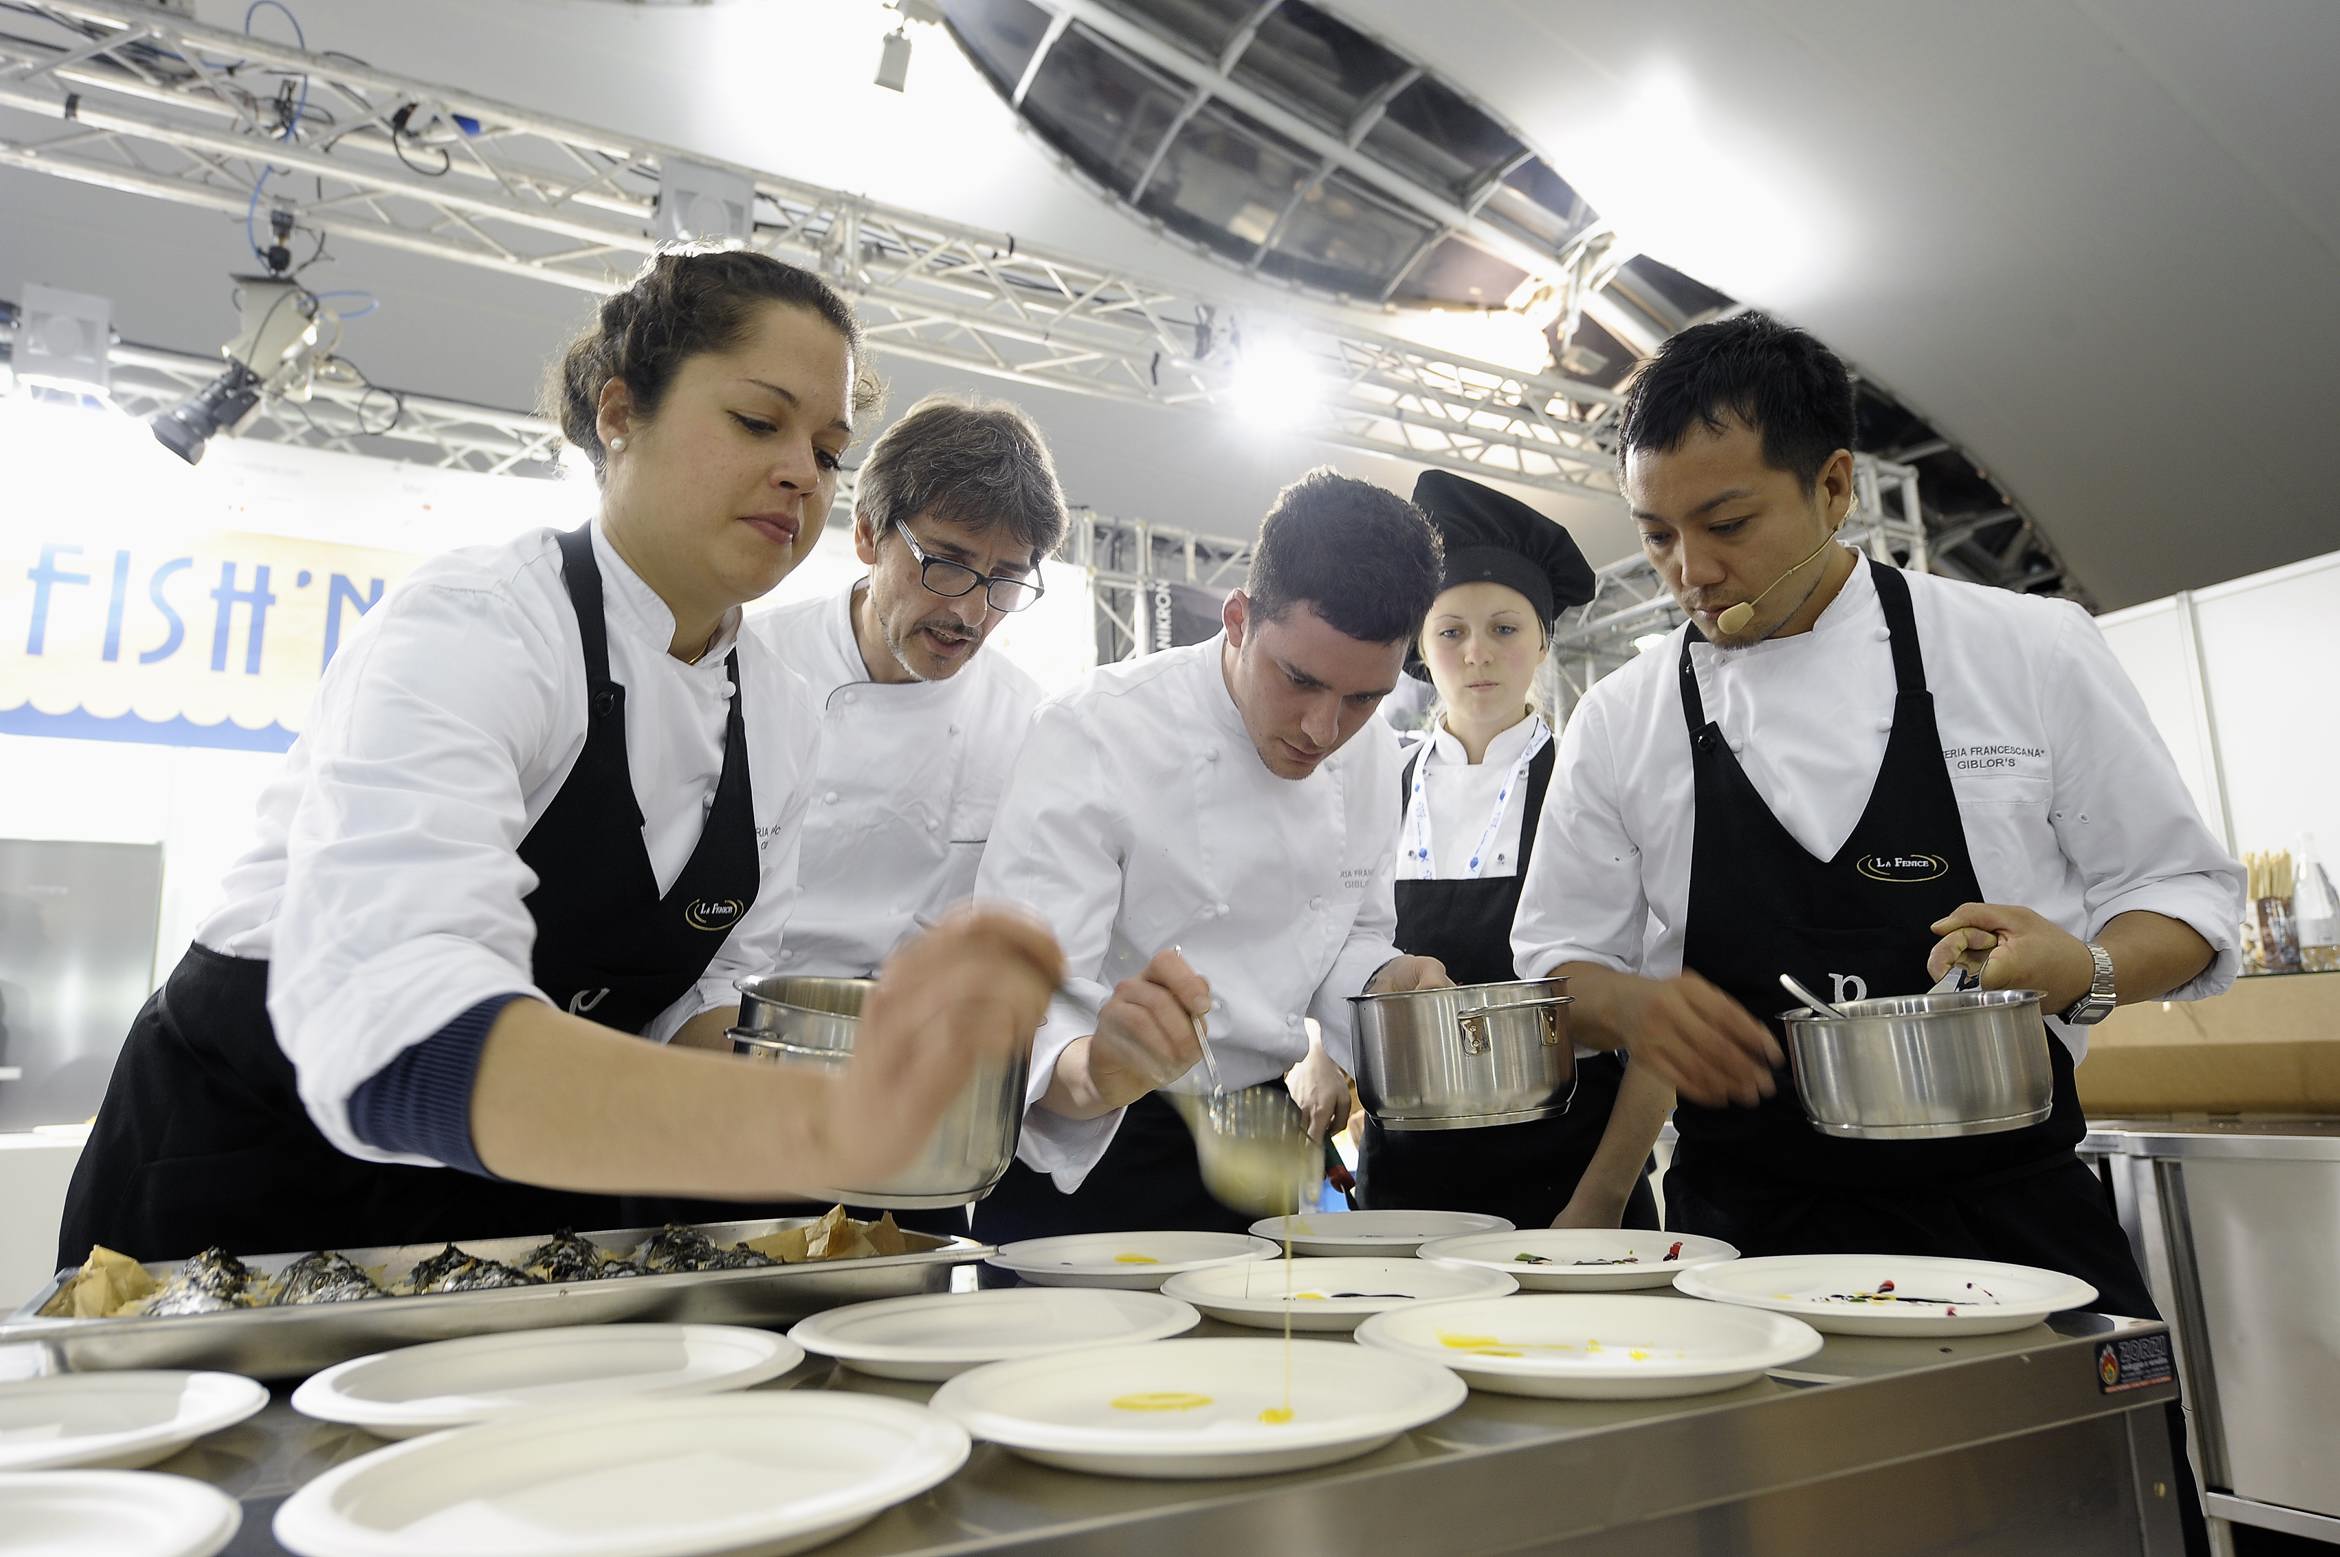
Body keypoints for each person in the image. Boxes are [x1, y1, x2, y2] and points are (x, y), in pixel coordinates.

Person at [58, 248, 1060, 1266]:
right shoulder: (483, 624)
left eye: (830, 449)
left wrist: (876, 1074)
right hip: (250, 1177)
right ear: (620, 414)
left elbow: (703, 1005)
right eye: (759, 422)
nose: (803, 471)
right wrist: (811, 1124)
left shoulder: (783, 711)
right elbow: (403, 1038)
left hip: (510, 1198)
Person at [1511, 312, 2242, 1301]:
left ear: (1834, 487)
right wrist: (1631, 1007)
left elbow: (2186, 895)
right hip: (1747, 1247)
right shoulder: (1620, 719)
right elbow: (1556, 963)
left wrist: (2087, 969)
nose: (1692, 571)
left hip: (2012, 1224)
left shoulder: (2025, 649)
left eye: (1727, 525)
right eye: (1656, 536)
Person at [970, 469, 1450, 1241]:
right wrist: (1100, 1067)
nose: (1324, 729)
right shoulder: (1096, 732)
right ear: (1237, 618)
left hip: (1262, 1141)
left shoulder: (1367, 755)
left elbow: (1346, 933)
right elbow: (1017, 1002)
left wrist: (1388, 983)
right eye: (1299, 679)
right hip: (1097, 1148)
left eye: (1364, 698)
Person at [1353, 470, 1659, 1231]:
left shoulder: (1595, 784)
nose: (1477, 654)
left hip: (1568, 1174)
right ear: (1419, 646)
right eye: (1451, 631)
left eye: (1504, 628)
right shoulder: (1374, 787)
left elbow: (1659, 1016)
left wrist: (1601, 1199)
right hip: (1410, 1178)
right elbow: (1341, 952)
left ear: (1544, 640)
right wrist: (1327, 1061)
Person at [749, 394, 1066, 983]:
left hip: (910, 1021)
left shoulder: (1027, 723)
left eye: (1006, 580)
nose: (970, 614)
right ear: (868, 535)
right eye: (947, 563)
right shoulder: (751, 663)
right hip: (740, 1002)